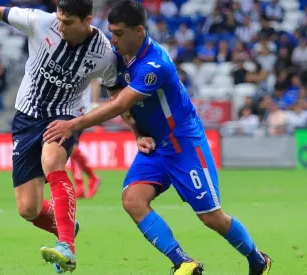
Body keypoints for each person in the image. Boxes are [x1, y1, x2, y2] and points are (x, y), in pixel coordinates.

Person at [43, 1, 272, 275]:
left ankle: (258, 259)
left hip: (184, 144)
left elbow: (119, 105)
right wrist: (138, 133)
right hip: (155, 146)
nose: (112, 40)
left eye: (118, 33)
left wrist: (73, 125)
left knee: (211, 217)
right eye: (110, 32)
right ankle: (184, 262)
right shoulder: (119, 57)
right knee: (132, 200)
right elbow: (116, 96)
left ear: (138, 31)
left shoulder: (155, 64)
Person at [0, 0, 119, 272]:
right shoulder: (41, 22)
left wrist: (139, 131)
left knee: (51, 159)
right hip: (26, 117)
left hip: (65, 116)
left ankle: (66, 246)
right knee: (28, 208)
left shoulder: (103, 53)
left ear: (87, 20)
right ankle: (69, 225)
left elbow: (117, 95)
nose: (61, 25)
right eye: (59, 18)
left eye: (68, 22)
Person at [70, 79, 102, 199]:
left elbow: (95, 82)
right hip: (69, 109)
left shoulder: (88, 61)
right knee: (71, 148)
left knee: (71, 148)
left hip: (81, 110)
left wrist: (94, 104)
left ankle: (90, 178)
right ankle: (82, 185)